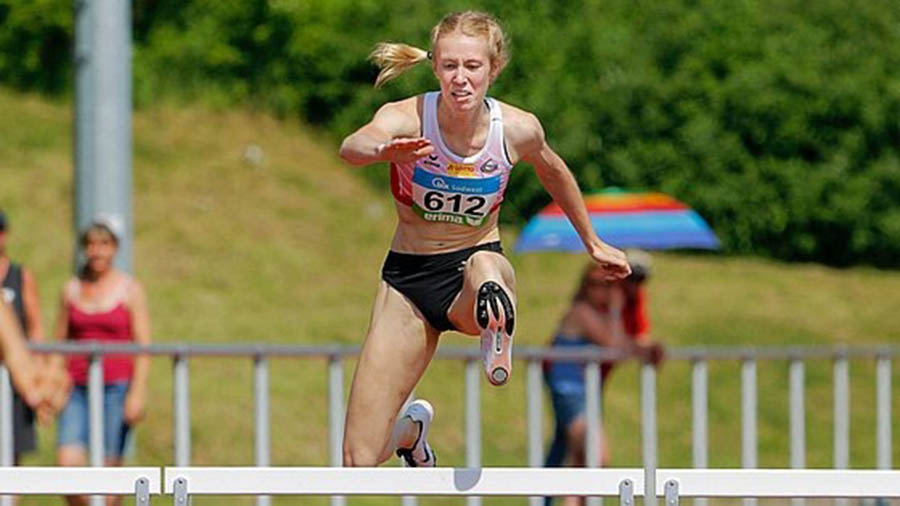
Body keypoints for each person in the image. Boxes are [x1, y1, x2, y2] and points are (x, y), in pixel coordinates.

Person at [337, 10, 631, 468]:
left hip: (472, 272)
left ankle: (496, 321)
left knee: (486, 268)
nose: (460, 79)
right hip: (408, 280)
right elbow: (352, 146)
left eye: (472, 67)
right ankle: (410, 431)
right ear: (435, 66)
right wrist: (382, 150)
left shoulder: (516, 129)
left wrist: (591, 241)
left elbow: (554, 171)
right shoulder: (408, 117)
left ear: (493, 69)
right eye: (450, 66)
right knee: (358, 458)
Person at [543, 257, 664, 506]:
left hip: (586, 391)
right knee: (594, 455)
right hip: (571, 392)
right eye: (596, 284)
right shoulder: (581, 312)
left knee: (574, 459)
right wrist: (617, 307)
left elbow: (623, 343)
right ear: (584, 287)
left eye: (608, 285)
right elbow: (614, 343)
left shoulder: (598, 315)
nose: (603, 291)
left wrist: (646, 349)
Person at [54, 216, 151, 506]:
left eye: (104, 244)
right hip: (77, 387)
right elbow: (59, 341)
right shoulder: (71, 289)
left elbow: (143, 345)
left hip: (116, 386)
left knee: (110, 478)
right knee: (67, 466)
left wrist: (137, 392)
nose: (97, 251)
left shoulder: (131, 290)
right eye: (92, 244)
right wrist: (51, 382)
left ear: (115, 248)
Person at [0, 209, 45, 464]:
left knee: (11, 454)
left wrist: (32, 376)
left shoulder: (20, 275)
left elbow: (32, 327)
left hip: (12, 383)